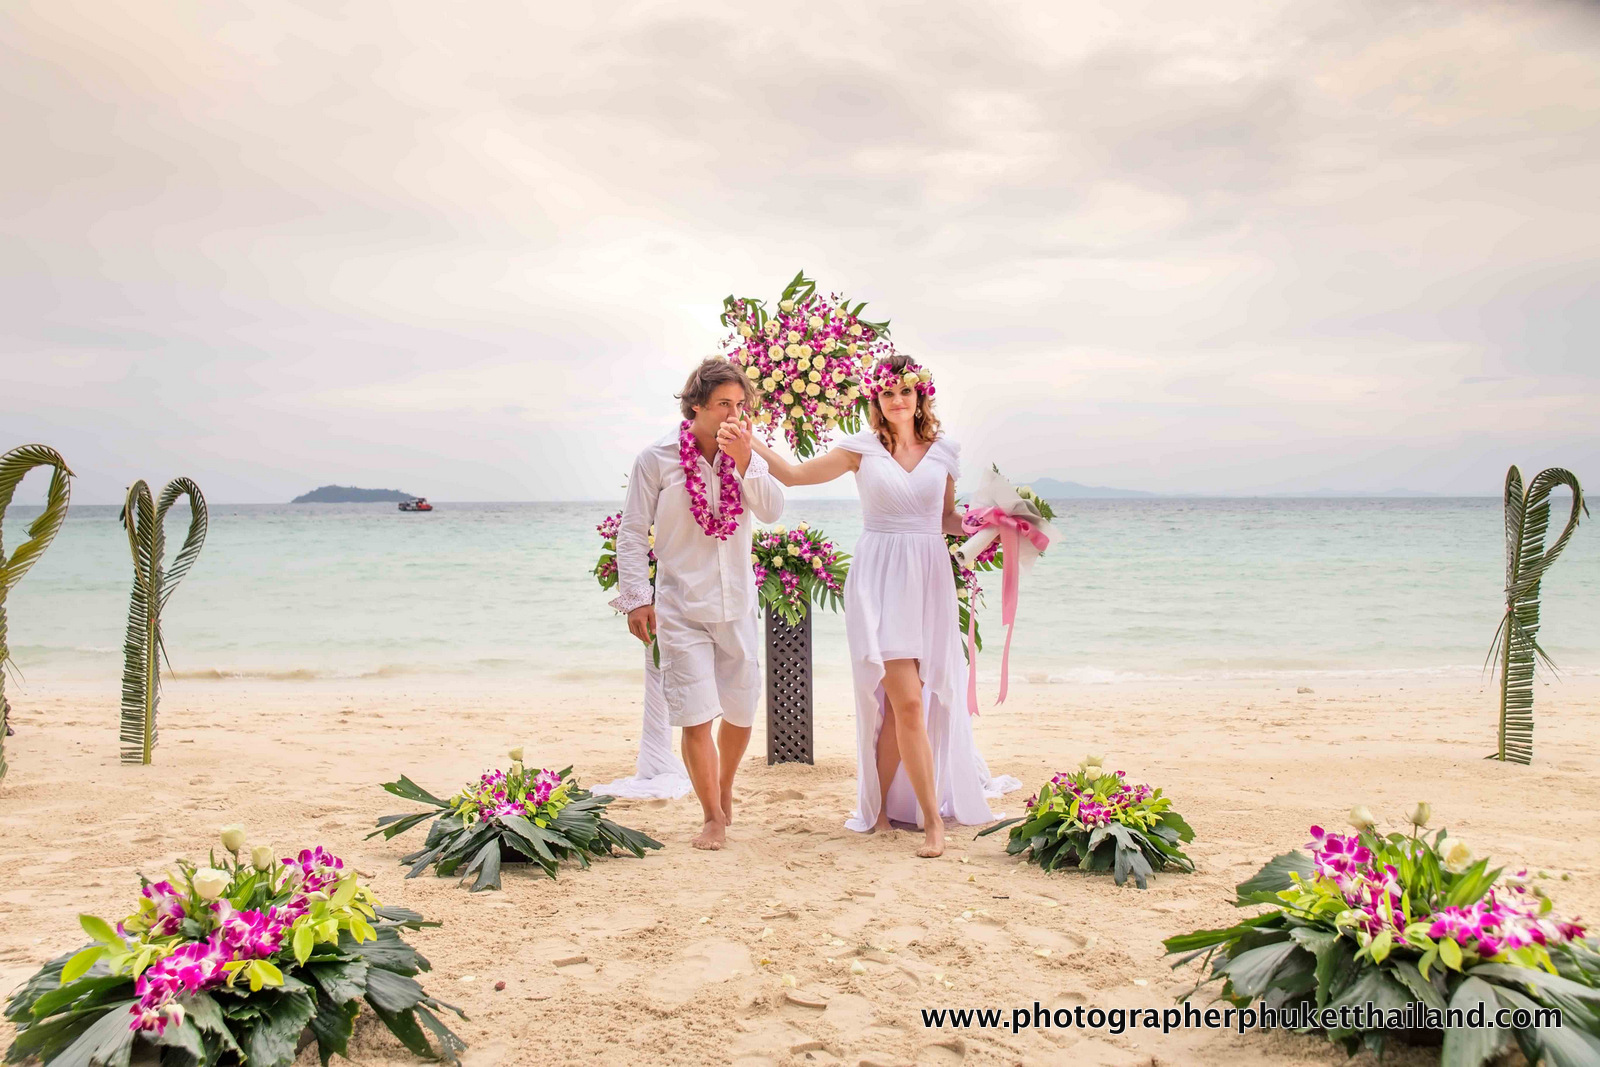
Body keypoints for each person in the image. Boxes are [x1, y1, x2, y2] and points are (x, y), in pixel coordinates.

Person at [734, 353, 1007, 858]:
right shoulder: (861, 449)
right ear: (876, 401)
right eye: (887, 393)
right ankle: (931, 825)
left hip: (928, 577)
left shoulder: (945, 451)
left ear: (920, 395)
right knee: (902, 702)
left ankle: (881, 811)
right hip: (879, 576)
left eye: (905, 391)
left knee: (907, 706)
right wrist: (753, 446)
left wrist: (997, 525)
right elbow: (793, 477)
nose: (897, 400)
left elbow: (945, 518)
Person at [611, 358, 783, 850]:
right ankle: (711, 815)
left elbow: (771, 511)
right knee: (695, 714)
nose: (733, 413)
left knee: (741, 710)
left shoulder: (747, 452)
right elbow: (631, 532)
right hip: (680, 605)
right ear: (697, 405)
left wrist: (748, 459)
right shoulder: (657, 458)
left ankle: (725, 787)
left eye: (739, 404)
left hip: (738, 605)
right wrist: (637, 600)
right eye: (723, 404)